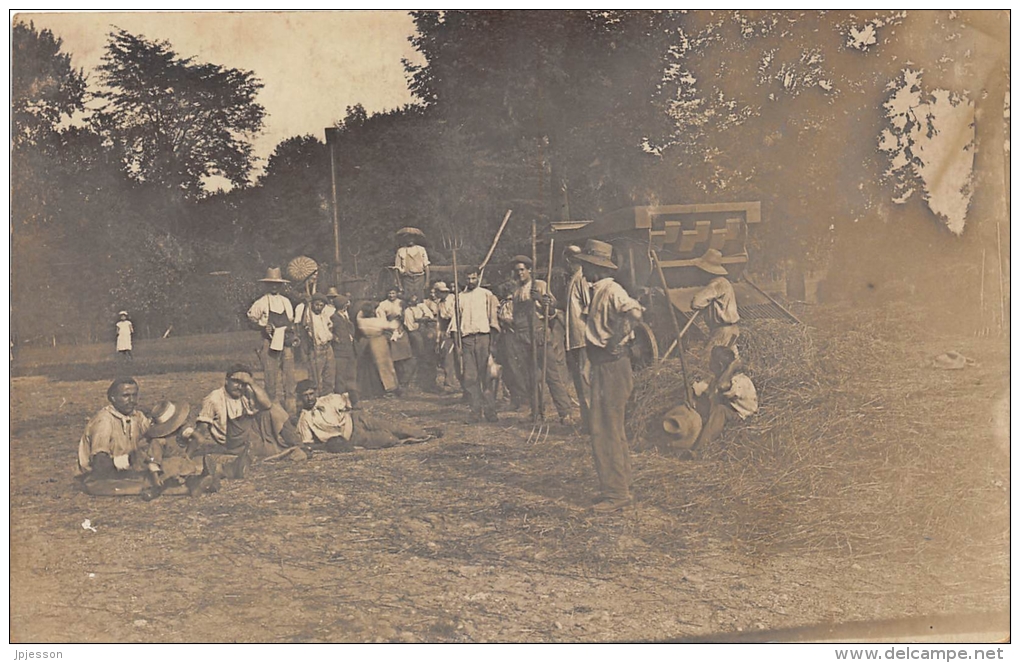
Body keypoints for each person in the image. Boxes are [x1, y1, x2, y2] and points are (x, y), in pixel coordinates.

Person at [575, 239, 644, 513]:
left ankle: (616, 494)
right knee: (610, 427)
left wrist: (617, 340)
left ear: (595, 267)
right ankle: (619, 485)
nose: (582, 271)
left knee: (605, 428)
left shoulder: (611, 289)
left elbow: (634, 313)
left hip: (612, 363)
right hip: (604, 362)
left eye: (585, 266)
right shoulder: (598, 291)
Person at [510, 255, 574, 424]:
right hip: (523, 336)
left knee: (551, 375)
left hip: (538, 333)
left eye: (522, 270)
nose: (520, 273)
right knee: (530, 377)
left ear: (529, 270)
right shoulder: (516, 290)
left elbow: (552, 307)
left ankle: (565, 413)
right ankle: (537, 411)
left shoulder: (539, 285)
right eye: (517, 271)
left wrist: (539, 299)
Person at [193, 363, 302, 458]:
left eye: (243, 383)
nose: (240, 387)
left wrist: (251, 382)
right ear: (226, 381)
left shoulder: (247, 392)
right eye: (236, 382)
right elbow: (202, 426)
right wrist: (190, 448)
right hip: (234, 443)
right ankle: (283, 450)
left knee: (274, 409)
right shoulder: (214, 398)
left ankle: (297, 444)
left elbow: (267, 404)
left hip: (251, 434)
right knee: (275, 451)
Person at [295, 380, 436, 451]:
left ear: (316, 393)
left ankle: (423, 433)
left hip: (356, 419)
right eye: (305, 396)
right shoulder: (305, 419)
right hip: (351, 437)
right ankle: (409, 439)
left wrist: (352, 401)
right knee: (387, 439)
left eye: (311, 394)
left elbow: (349, 401)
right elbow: (308, 444)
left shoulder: (329, 399)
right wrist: (327, 445)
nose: (309, 398)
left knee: (393, 426)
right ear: (300, 398)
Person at [76, 377, 153, 496]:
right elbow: (100, 464)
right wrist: (130, 460)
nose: (131, 400)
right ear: (113, 398)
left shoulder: (137, 416)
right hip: (99, 478)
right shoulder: (104, 421)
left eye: (134, 395)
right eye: (125, 396)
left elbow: (154, 436)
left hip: (126, 473)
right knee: (153, 486)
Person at [448, 268, 501, 423]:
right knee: (470, 377)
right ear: (464, 279)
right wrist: (458, 343)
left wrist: (493, 341)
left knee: (487, 376)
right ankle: (475, 411)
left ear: (478, 278)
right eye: (468, 278)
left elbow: (493, 318)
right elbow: (456, 322)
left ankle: (490, 411)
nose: (471, 281)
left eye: (473, 278)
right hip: (467, 340)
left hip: (483, 337)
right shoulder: (459, 298)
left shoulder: (486, 294)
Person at [247, 267, 297, 412]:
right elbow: (251, 321)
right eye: (271, 284)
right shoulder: (261, 302)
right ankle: (271, 411)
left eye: (277, 284)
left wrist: (291, 333)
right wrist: (262, 327)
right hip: (269, 344)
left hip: (286, 343)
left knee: (290, 378)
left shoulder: (286, 302)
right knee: (270, 379)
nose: (274, 286)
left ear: (281, 285)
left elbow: (291, 321)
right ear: (266, 285)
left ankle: (291, 411)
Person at [692, 345, 758, 449]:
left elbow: (722, 386)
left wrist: (732, 366)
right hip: (722, 416)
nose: (709, 365)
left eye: (712, 362)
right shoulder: (716, 379)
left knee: (720, 410)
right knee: (701, 404)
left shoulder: (740, 381)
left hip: (741, 420)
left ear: (720, 365)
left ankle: (700, 448)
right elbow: (699, 389)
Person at [562, 245, 592, 432]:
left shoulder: (582, 279)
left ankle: (593, 424)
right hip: (575, 338)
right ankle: (587, 422)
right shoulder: (572, 280)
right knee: (581, 382)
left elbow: (590, 307)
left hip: (584, 338)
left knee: (586, 379)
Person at [690, 248, 740, 356]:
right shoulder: (725, 282)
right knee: (731, 359)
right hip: (733, 329)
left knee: (707, 359)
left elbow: (696, 303)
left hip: (722, 331)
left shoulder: (715, 284)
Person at [356, 302, 401, 397]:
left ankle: (369, 390)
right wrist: (380, 311)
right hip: (378, 341)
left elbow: (359, 314)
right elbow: (392, 325)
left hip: (365, 342)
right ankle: (390, 388)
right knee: (384, 365)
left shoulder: (360, 321)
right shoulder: (377, 322)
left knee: (367, 367)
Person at [329, 294, 360, 407]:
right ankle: (341, 401)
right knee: (340, 377)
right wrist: (335, 337)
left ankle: (354, 399)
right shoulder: (333, 317)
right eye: (345, 304)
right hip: (340, 351)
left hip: (350, 350)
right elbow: (328, 330)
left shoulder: (346, 316)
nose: (347, 306)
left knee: (351, 375)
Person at [303, 294, 336, 395]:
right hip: (316, 348)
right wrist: (306, 304)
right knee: (316, 376)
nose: (319, 307)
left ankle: (328, 397)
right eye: (317, 305)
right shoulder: (309, 316)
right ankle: (316, 398)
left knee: (329, 374)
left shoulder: (324, 315)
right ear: (312, 304)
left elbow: (330, 325)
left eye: (321, 305)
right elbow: (304, 322)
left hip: (327, 347)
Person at [403, 293, 437, 392]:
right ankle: (409, 382)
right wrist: (423, 320)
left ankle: (430, 383)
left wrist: (420, 320)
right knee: (420, 354)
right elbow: (411, 327)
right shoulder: (408, 311)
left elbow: (430, 316)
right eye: (412, 299)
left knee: (430, 354)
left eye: (416, 299)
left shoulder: (421, 306)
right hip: (415, 333)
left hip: (425, 330)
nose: (414, 301)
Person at [433, 281, 461, 392]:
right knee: (447, 356)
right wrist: (439, 336)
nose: (440, 294)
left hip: (456, 329)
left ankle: (462, 382)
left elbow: (454, 315)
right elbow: (439, 321)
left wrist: (451, 330)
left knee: (459, 356)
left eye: (441, 292)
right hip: (446, 331)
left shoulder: (453, 299)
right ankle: (450, 383)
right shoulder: (439, 303)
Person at [393, 228, 431, 303]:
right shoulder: (401, 251)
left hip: (419, 277)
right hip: (407, 278)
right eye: (408, 238)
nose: (410, 240)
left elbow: (426, 266)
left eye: (412, 238)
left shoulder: (421, 249)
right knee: (407, 299)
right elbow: (397, 268)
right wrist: (399, 284)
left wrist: (427, 281)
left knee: (419, 299)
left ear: (415, 239)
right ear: (405, 240)